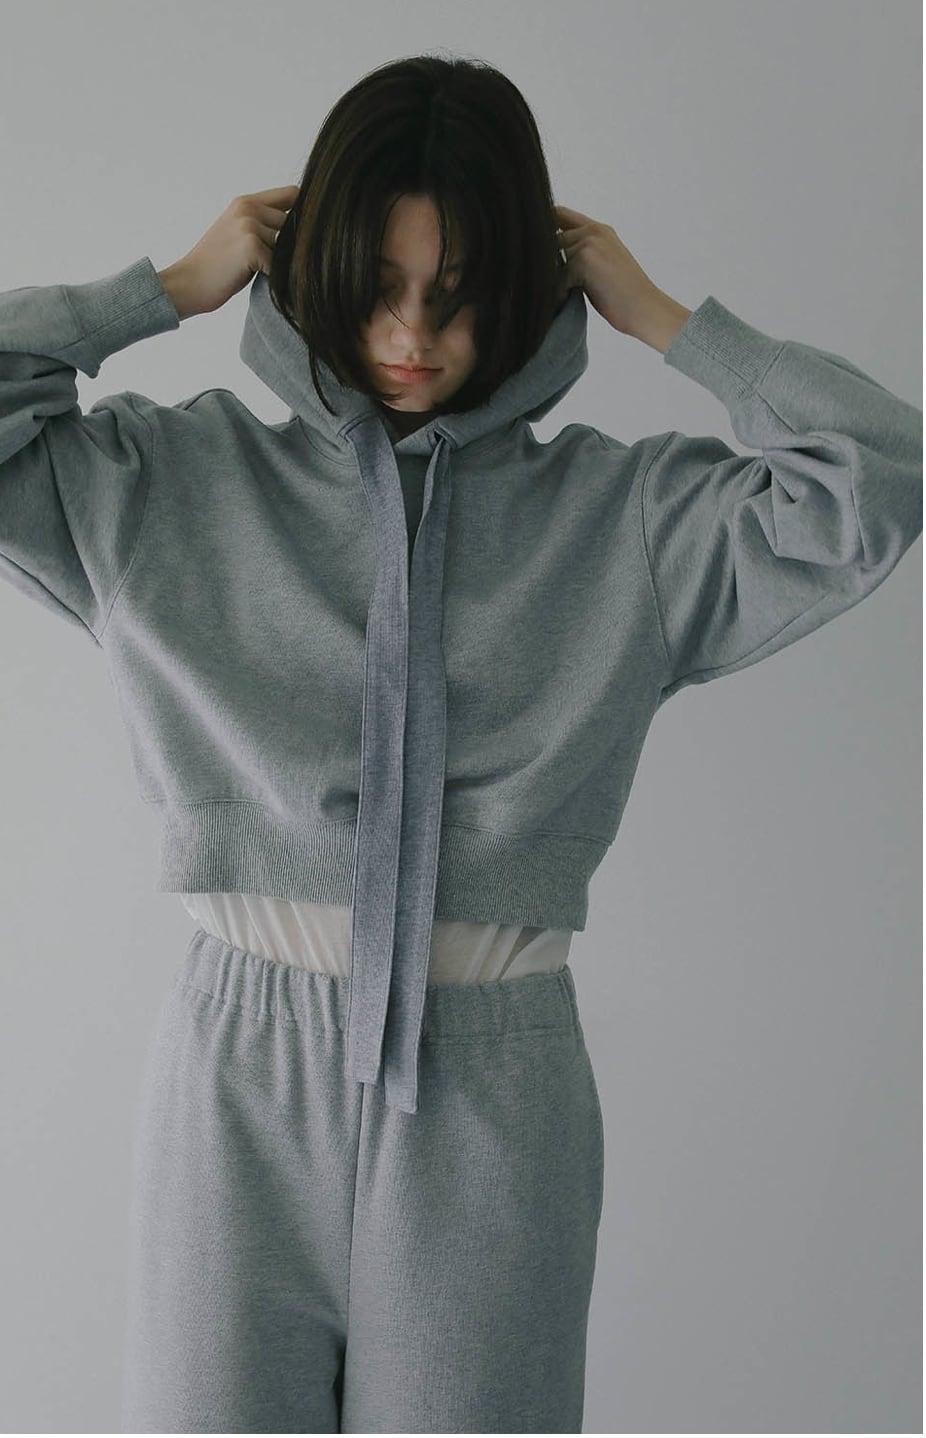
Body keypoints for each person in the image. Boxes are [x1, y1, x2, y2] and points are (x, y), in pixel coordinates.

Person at [0, 51, 920, 1437]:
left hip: (496, 1089)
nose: (411, 335)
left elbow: (878, 477)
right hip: (237, 1077)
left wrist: (666, 319)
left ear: (525, 290)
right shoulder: (171, 484)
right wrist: (169, 288)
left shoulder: (622, 520)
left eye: (457, 292)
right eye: (377, 284)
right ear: (313, 267)